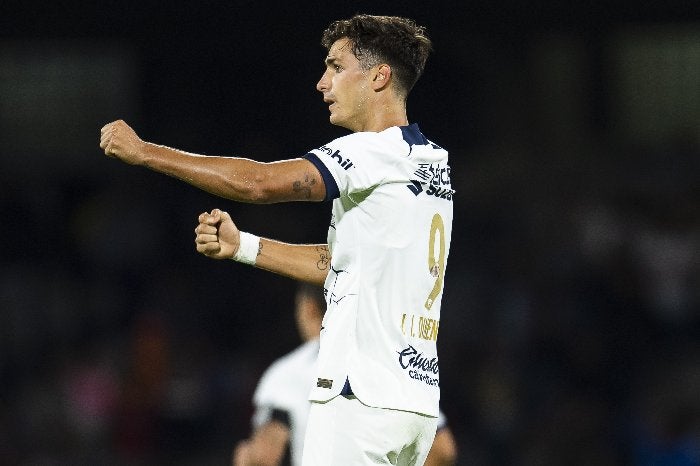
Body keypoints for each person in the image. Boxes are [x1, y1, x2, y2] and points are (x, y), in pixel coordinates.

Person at [100, 14, 453, 465]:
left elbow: (258, 183)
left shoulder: (371, 152)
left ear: (379, 76)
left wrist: (145, 151)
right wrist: (242, 245)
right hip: (415, 404)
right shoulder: (430, 161)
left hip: (357, 402)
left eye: (336, 67)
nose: (322, 83)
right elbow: (341, 263)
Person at [233, 284, 458, 466]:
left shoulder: (289, 372)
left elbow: (265, 455)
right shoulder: (390, 362)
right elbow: (442, 450)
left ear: (309, 308)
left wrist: (246, 458)